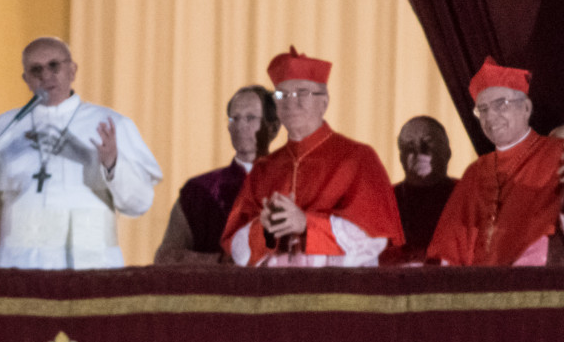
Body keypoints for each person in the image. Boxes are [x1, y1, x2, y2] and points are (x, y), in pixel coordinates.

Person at [0, 36, 161, 269]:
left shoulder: (112, 124)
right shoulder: (0, 129)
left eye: (54, 66)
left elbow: (139, 204)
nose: (46, 76)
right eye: (36, 70)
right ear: (26, 79)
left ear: (72, 70)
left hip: (90, 265)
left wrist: (112, 164)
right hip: (20, 265)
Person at [221, 46, 403, 267]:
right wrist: (263, 227)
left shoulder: (358, 158)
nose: (291, 102)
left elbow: (374, 239)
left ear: (324, 102)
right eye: (282, 95)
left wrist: (305, 224)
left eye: (302, 93)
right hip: (274, 286)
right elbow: (235, 247)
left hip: (339, 286)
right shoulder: (264, 168)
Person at [428, 57, 564, 265]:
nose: (490, 116)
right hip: (482, 282)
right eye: (483, 109)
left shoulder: (557, 153)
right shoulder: (476, 171)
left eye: (501, 105)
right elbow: (449, 242)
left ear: (526, 108)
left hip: (538, 277)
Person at [154, 85, 279, 264]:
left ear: (273, 128)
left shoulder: (295, 184)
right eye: (234, 118)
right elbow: (166, 256)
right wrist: (221, 262)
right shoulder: (199, 191)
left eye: (250, 118)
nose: (240, 126)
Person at [379, 116, 458, 265]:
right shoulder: (382, 202)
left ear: (447, 152)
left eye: (427, 142)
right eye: (409, 145)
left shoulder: (469, 195)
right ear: (401, 157)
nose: (419, 151)